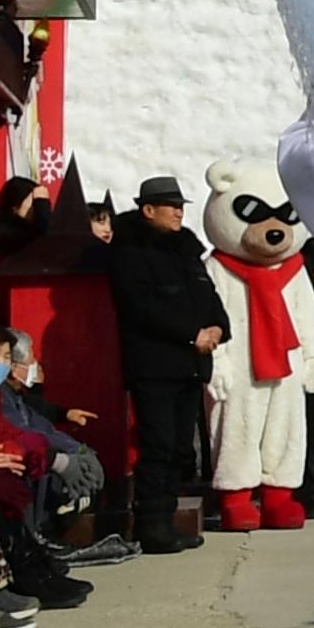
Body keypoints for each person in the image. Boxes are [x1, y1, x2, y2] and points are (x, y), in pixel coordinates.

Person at [108, 176, 225, 554]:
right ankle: (151, 524)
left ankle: (169, 518)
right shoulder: (131, 252)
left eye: (181, 206)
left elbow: (207, 295)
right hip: (155, 365)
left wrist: (216, 327)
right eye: (171, 206)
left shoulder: (186, 251)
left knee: (178, 448)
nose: (179, 212)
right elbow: (142, 308)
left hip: (191, 364)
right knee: (157, 446)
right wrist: (193, 333)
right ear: (148, 210)